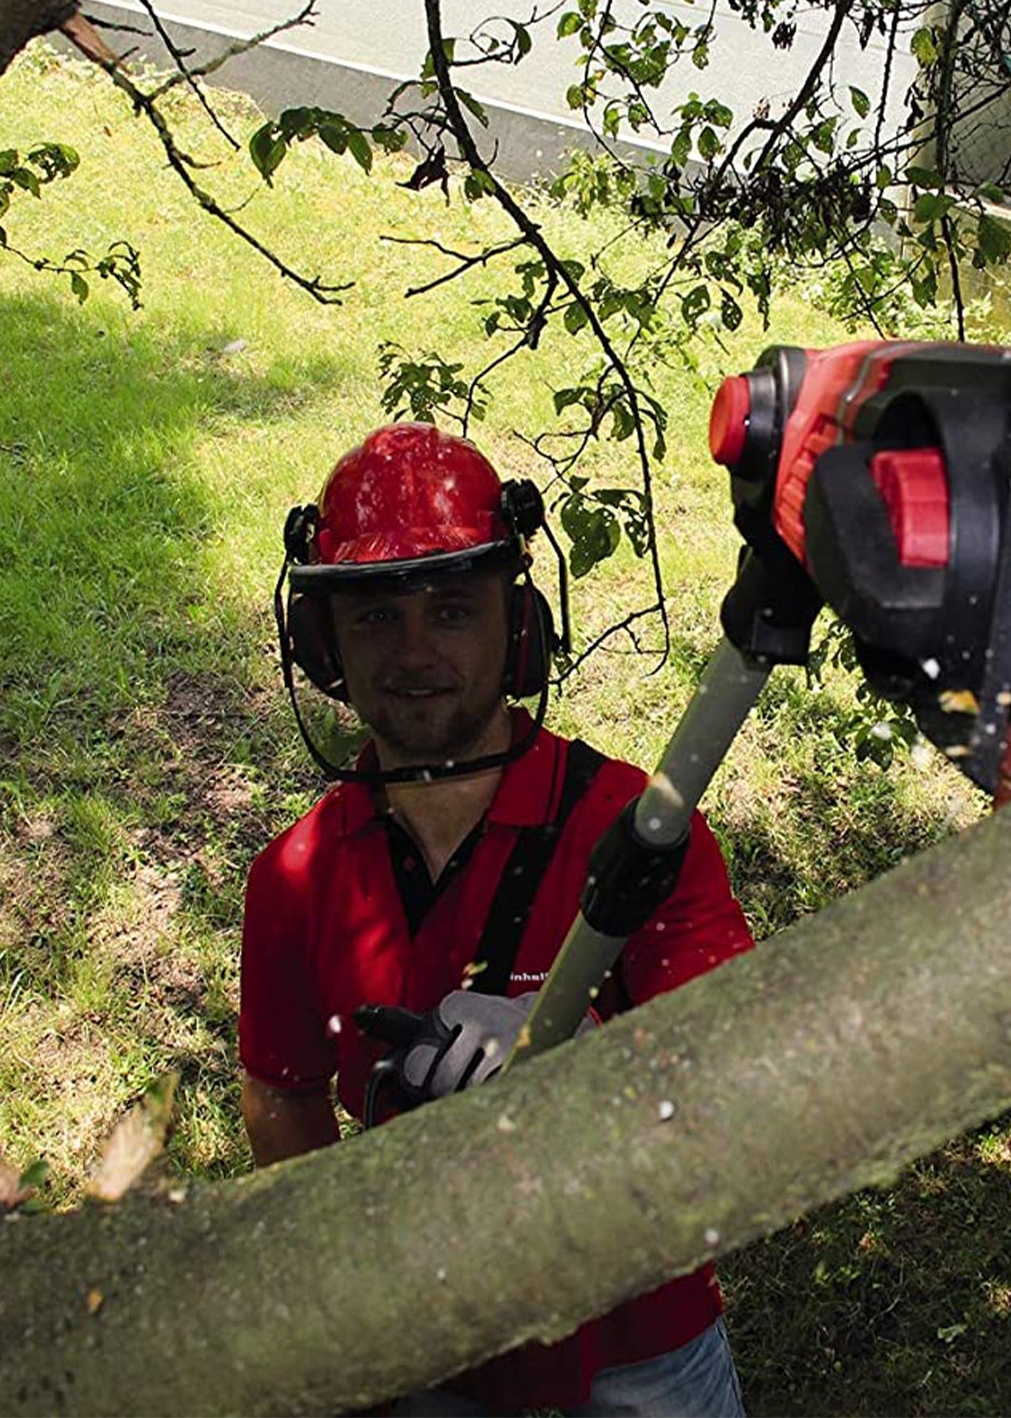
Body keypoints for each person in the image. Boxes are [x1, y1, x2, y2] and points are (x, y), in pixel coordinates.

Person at [239, 421, 753, 1415]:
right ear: (323, 647)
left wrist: (576, 1047)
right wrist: (338, 1278)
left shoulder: (637, 832)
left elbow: (736, 1057)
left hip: (637, 1337)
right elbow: (282, 1090)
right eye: (377, 619)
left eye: (452, 612)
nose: (416, 654)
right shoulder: (293, 880)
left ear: (518, 631)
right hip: (426, 1348)